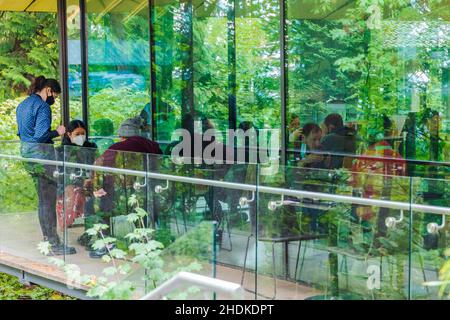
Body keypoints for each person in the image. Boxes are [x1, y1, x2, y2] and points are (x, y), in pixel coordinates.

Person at [16, 76, 75, 255]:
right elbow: (41, 136)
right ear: (48, 90)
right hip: (42, 157)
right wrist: (58, 132)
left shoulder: (23, 105)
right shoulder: (43, 107)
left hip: (27, 156)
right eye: (55, 96)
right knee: (48, 201)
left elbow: (22, 133)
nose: (54, 100)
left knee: (43, 200)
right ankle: (53, 244)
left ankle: (48, 241)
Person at [87, 117, 163, 258]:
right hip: (151, 197)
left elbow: (98, 170)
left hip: (123, 200)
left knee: (93, 204)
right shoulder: (154, 146)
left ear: (122, 135)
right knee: (140, 205)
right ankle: (145, 240)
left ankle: (106, 244)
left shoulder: (115, 149)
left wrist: (96, 187)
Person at [57, 120, 98, 248]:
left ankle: (88, 235)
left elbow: (97, 165)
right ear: (69, 134)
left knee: (91, 204)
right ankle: (64, 239)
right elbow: (60, 173)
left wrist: (91, 178)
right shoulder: (61, 151)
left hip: (89, 184)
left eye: (83, 133)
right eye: (77, 134)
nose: (81, 136)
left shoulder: (91, 147)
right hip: (68, 186)